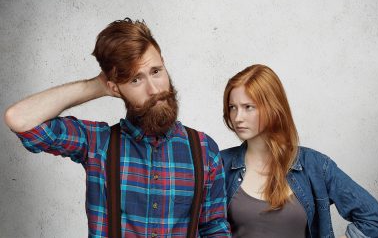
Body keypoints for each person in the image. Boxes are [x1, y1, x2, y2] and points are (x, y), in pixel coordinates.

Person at [4, 18, 231, 237]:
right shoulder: (98, 143)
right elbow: (20, 120)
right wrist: (96, 86)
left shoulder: (203, 149)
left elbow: (214, 229)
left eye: (156, 71)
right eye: (135, 80)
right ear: (115, 88)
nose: (154, 89)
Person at [220, 64, 378, 238]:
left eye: (248, 107)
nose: (237, 117)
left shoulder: (315, 165)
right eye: (232, 107)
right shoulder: (218, 164)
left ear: (273, 107)